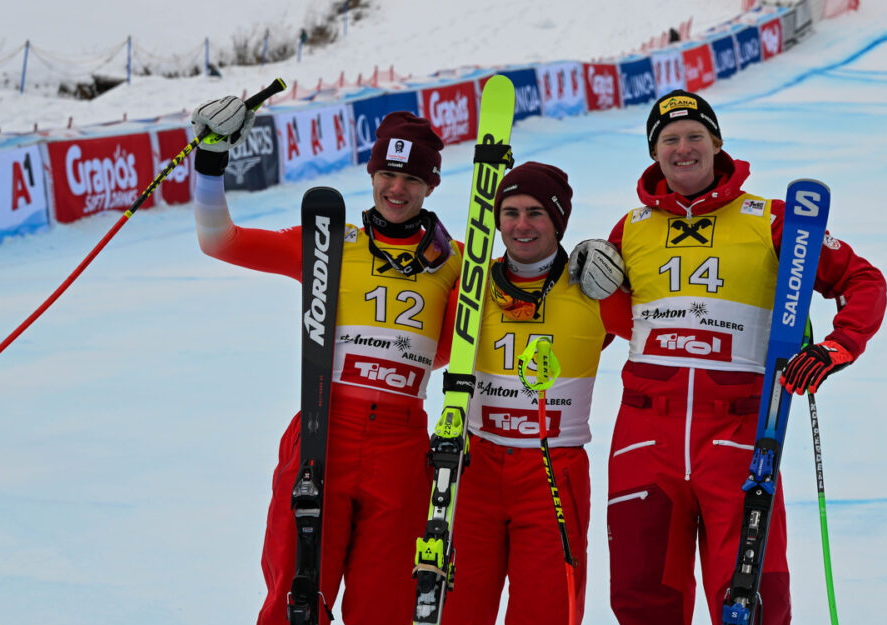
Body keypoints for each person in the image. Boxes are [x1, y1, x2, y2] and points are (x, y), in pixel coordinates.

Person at [569, 89, 887, 625]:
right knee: (642, 598)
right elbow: (611, 326)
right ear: (654, 152)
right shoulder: (631, 230)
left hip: (740, 435)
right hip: (646, 434)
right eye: (669, 139)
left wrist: (838, 346)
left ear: (718, 144)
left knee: (751, 601)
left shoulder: (770, 219)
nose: (683, 148)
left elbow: (862, 280)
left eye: (696, 136)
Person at [190, 98, 463, 625]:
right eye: (386, 173)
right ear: (370, 174)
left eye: (410, 178)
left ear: (431, 185)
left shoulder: (454, 265)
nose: (396, 189)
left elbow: (464, 341)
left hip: (402, 443)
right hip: (324, 428)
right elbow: (219, 241)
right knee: (296, 598)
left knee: (384, 607)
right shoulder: (329, 240)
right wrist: (210, 160)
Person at [440, 162, 631, 624]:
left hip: (552, 468)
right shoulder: (473, 285)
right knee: (458, 607)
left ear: (559, 219)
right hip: (475, 465)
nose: (521, 225)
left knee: (546, 609)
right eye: (509, 212)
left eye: (535, 213)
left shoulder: (594, 288)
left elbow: (664, 333)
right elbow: (425, 354)